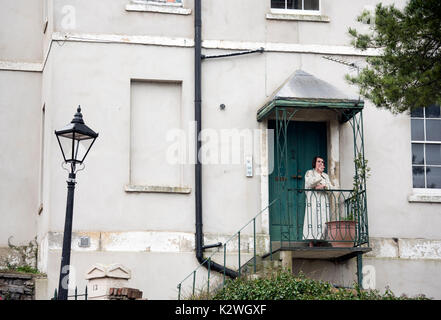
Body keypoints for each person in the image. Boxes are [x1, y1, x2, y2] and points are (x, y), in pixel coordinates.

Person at [302, 156, 333, 243]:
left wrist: (324, 186)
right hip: (313, 201)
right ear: (314, 163)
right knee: (312, 219)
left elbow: (330, 187)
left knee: (323, 220)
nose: (321, 164)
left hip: (323, 200)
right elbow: (310, 183)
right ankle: (311, 241)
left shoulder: (325, 176)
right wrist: (319, 176)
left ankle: (321, 240)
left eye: (322, 162)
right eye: (319, 161)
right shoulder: (309, 173)